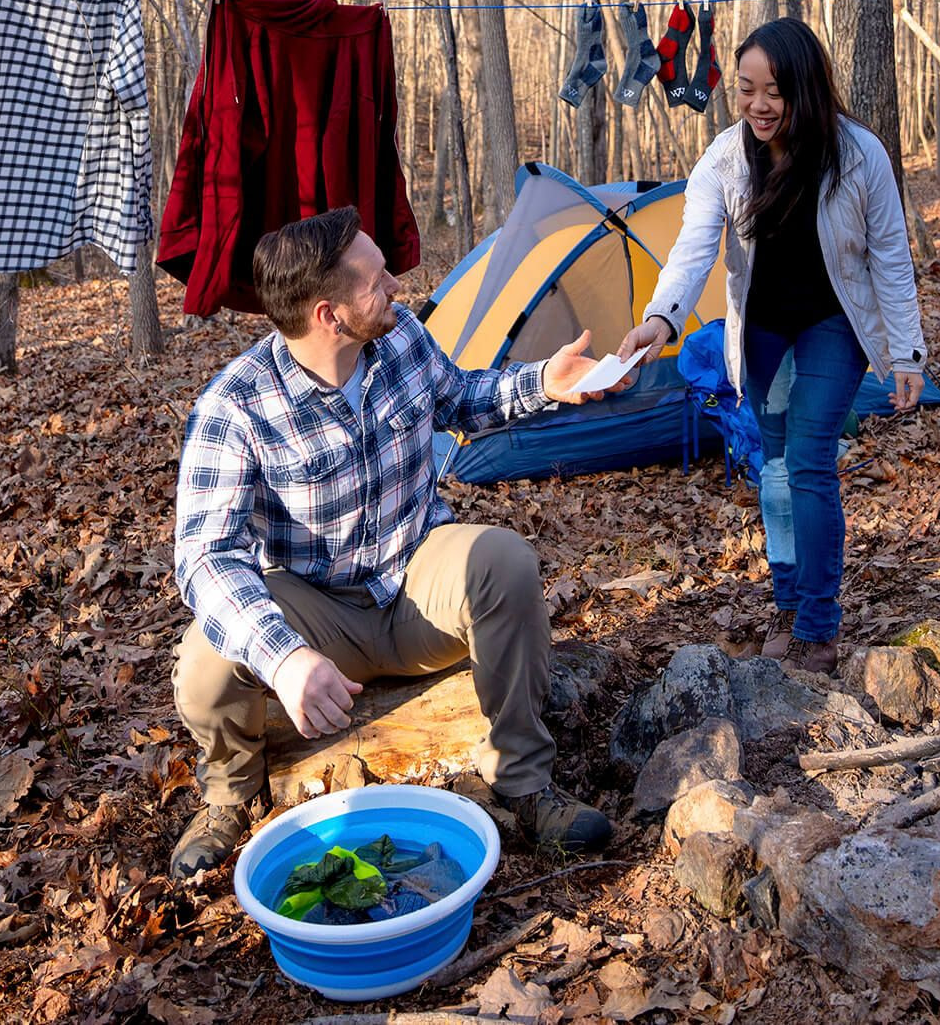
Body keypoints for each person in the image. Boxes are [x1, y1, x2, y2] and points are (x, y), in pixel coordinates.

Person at [169, 207, 619, 879]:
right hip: (320, 613)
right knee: (205, 656)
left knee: (504, 560)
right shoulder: (236, 407)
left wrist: (543, 382)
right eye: (377, 280)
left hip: (413, 584)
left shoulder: (400, 336)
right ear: (328, 314)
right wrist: (286, 658)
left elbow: (463, 397)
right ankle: (231, 792)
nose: (397, 288)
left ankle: (526, 783)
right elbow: (204, 558)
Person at [615, 18, 928, 677]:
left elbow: (892, 259)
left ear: (805, 90)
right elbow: (693, 250)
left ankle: (818, 625)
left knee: (810, 461)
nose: (757, 105)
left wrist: (907, 354)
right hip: (760, 326)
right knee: (776, 466)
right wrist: (660, 319)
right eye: (747, 89)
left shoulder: (858, 154)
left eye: (774, 91)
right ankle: (788, 602)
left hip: (833, 323)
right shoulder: (725, 159)